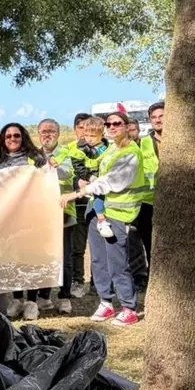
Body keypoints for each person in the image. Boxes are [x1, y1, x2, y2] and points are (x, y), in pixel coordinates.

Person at [60, 112, 149, 327]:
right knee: (99, 261)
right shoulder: (110, 148)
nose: (111, 127)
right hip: (95, 209)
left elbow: (111, 182)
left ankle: (128, 306)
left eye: (117, 123)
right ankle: (106, 302)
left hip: (116, 215)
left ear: (127, 126)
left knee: (117, 261)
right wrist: (86, 180)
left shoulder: (130, 153)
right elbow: (97, 171)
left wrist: (76, 193)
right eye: (108, 123)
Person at [0, 123, 47, 321]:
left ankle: (31, 302)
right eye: (8, 136)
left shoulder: (35, 159)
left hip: (31, 214)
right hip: (9, 217)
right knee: (13, 258)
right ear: (3, 139)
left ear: (23, 137)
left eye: (16, 135)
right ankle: (16, 298)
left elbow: (47, 180)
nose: (13, 139)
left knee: (30, 258)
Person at [63, 114, 107, 298]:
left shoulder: (105, 147)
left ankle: (98, 283)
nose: (85, 133)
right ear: (76, 130)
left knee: (99, 247)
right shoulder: (70, 149)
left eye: (88, 129)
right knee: (78, 248)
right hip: (78, 204)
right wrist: (77, 183)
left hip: (100, 201)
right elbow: (67, 173)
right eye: (81, 128)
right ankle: (78, 281)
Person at [39, 118, 76, 315]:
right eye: (44, 131)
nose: (47, 134)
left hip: (64, 212)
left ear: (58, 133)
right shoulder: (33, 156)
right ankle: (44, 297)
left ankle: (64, 297)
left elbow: (67, 174)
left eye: (51, 131)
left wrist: (56, 167)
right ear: (38, 134)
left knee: (65, 256)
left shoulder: (66, 153)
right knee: (45, 256)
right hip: (42, 215)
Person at [134, 101, 163, 286]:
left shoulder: (183, 142)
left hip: (176, 201)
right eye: (154, 117)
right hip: (148, 203)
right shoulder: (143, 143)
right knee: (151, 246)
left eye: (161, 116)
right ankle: (156, 283)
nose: (157, 120)